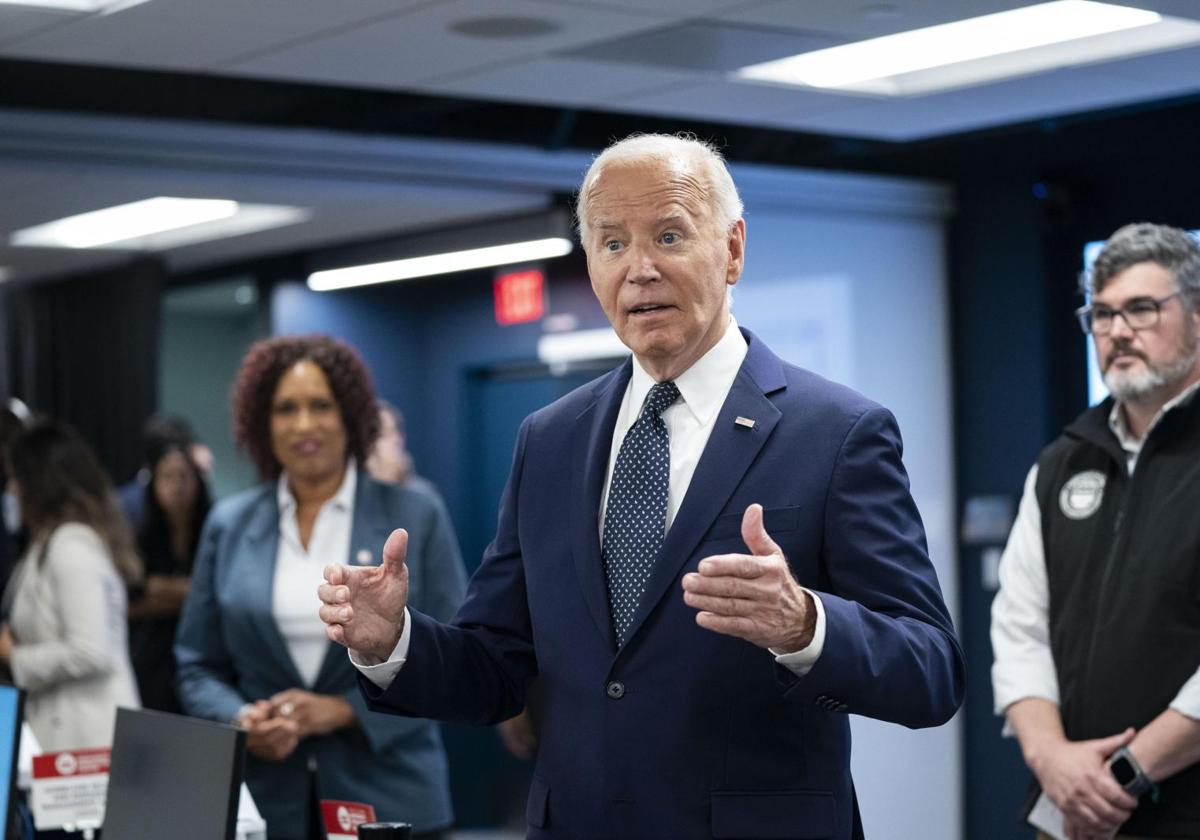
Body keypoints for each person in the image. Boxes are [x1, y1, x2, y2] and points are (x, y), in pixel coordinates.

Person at [319, 134, 965, 839]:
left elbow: (929, 669)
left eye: (669, 235)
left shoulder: (838, 432)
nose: (641, 270)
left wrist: (806, 624)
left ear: (733, 249)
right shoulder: (550, 438)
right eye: (612, 244)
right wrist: (393, 642)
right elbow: (497, 667)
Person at [175, 334, 467, 840]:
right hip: (263, 805)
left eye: (320, 406)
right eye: (286, 409)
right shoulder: (229, 524)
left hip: (389, 799)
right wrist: (243, 718)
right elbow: (196, 664)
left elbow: (457, 659)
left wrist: (342, 711)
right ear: (263, 424)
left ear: (350, 416)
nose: (304, 424)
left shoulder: (414, 516)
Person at [992, 222, 1200, 840]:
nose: (1117, 331)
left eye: (1141, 309)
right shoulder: (1064, 461)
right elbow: (1019, 626)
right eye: (1101, 315)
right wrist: (1054, 761)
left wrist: (1123, 775)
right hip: (1071, 814)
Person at [0, 420, 141, 750]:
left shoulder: (72, 546)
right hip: (68, 737)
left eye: (16, 479)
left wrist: (13, 654)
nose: (11, 491)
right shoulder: (49, 542)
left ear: (39, 484)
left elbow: (90, 651)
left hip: (90, 740)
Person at [127, 437, 212, 713]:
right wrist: (194, 592)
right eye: (167, 477)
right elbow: (134, 599)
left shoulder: (216, 532)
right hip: (152, 658)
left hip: (207, 656)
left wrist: (163, 591)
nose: (177, 486)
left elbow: (219, 594)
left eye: (184, 476)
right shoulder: (141, 537)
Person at [365, 400, 436, 497]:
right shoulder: (350, 495)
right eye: (381, 434)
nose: (395, 440)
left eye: (381, 435)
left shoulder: (423, 496)